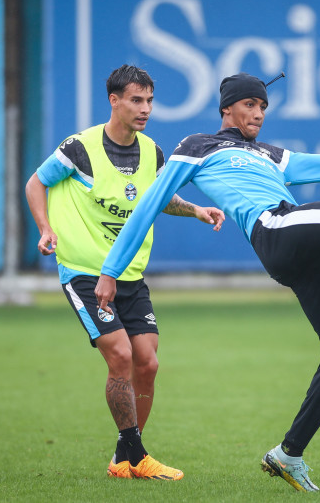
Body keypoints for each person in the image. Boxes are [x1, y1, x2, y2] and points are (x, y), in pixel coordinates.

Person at [94, 72, 320, 492]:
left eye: (264, 106)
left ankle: (288, 453)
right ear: (226, 109)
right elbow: (149, 205)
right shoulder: (197, 146)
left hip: (297, 249)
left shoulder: (269, 153)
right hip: (275, 229)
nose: (258, 113)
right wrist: (111, 270)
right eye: (250, 104)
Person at [25, 65, 225, 481]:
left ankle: (123, 457)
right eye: (136, 100)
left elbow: (161, 198)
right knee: (119, 355)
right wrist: (46, 228)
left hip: (129, 274)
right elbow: (35, 184)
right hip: (83, 271)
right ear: (114, 101)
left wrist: (197, 211)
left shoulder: (152, 151)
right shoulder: (79, 148)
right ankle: (139, 456)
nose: (145, 108)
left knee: (147, 364)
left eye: (150, 100)